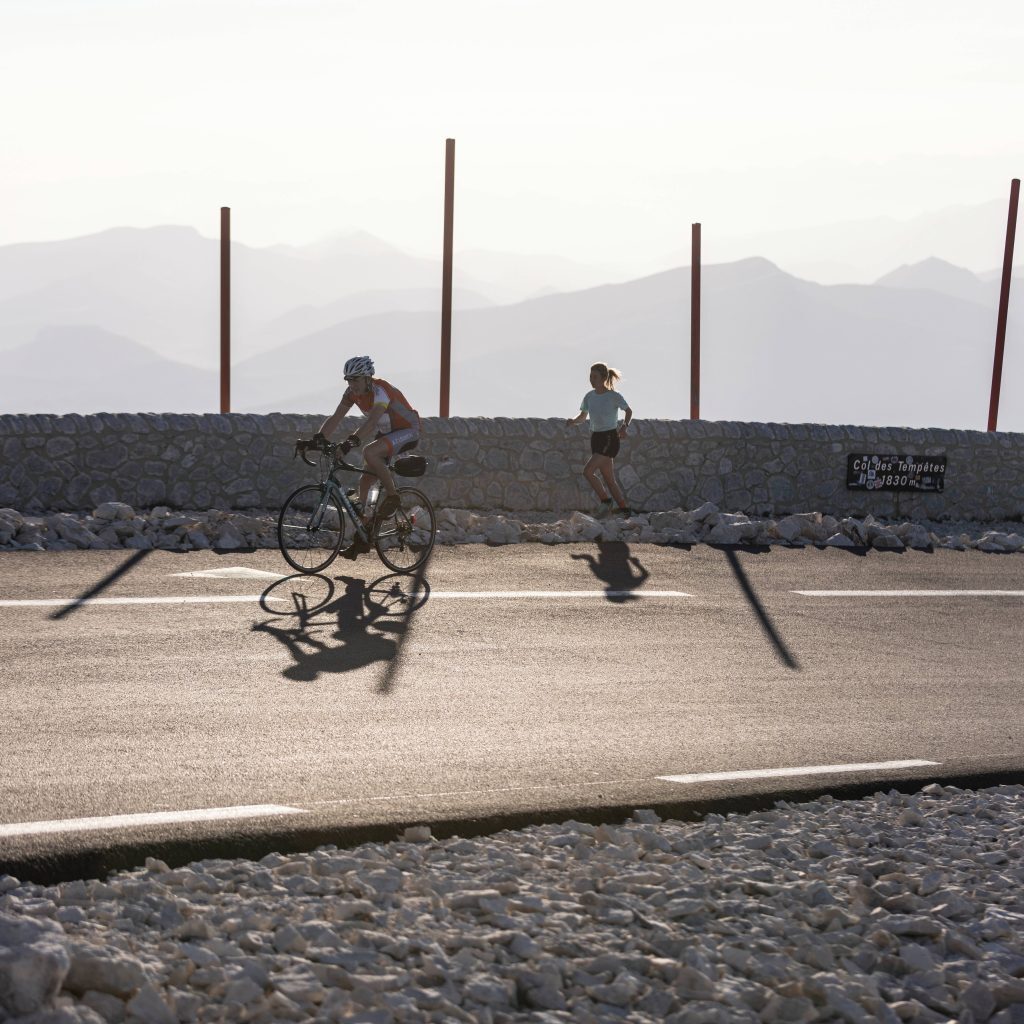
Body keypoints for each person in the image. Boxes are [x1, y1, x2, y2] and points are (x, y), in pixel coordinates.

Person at [310, 356, 420, 559]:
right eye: (348, 380)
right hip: (387, 434)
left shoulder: (381, 390)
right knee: (364, 482)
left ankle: (393, 497)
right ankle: (363, 537)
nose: (352, 385)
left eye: (356, 380)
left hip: (407, 430)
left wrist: (349, 443)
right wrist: (316, 440)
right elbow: (336, 418)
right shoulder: (352, 393)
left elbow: (371, 423)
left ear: (368, 378)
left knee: (369, 451)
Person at [565, 362, 633, 517]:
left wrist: (624, 427)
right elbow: (583, 416)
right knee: (610, 479)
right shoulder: (589, 397)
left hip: (610, 437)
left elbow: (628, 411)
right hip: (595, 438)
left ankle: (606, 501)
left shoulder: (614, 396)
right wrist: (573, 421)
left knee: (588, 471)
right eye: (590, 376)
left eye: (594, 376)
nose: (591, 379)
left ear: (603, 377)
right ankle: (624, 509)